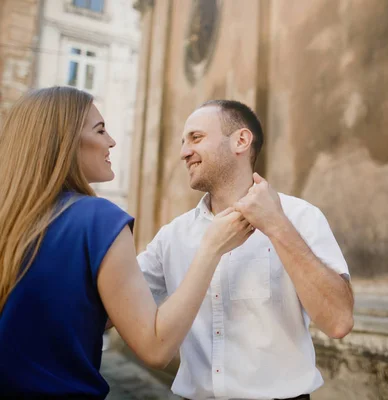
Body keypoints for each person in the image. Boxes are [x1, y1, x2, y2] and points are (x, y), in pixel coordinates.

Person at [0, 87, 253, 399]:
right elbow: (156, 348)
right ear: (62, 140)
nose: (111, 141)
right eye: (100, 130)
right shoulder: (97, 220)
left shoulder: (11, 221)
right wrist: (212, 247)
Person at [138, 100, 355, 400]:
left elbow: (339, 321)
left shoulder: (301, 217)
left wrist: (277, 226)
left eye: (196, 138)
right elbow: (114, 306)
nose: (183, 152)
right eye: (183, 142)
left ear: (241, 140)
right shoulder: (170, 237)